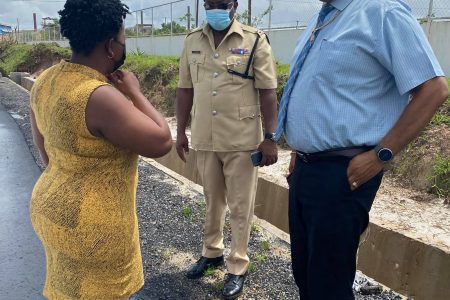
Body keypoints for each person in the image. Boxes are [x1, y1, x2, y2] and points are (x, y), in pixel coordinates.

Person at [274, 0, 449, 299]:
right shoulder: (324, 18)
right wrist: (298, 149)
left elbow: (433, 89)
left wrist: (382, 154)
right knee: (306, 274)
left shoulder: (382, 12)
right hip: (306, 168)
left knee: (328, 283)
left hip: (343, 173)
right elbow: (323, 94)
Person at [29, 0, 172, 299]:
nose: (123, 45)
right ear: (111, 47)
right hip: (93, 227)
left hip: (50, 205)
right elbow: (161, 141)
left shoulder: (46, 81)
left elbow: (44, 150)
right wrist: (134, 91)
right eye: (122, 39)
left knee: (67, 289)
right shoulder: (99, 97)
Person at [176, 0, 278, 298]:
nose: (215, 10)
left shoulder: (253, 39)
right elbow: (185, 88)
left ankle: (237, 265)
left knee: (240, 207)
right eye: (210, 4)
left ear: (234, 5)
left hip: (242, 140)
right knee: (212, 201)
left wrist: (270, 136)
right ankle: (211, 252)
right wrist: (180, 130)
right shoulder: (192, 40)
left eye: (222, 4)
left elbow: (268, 91)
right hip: (206, 138)